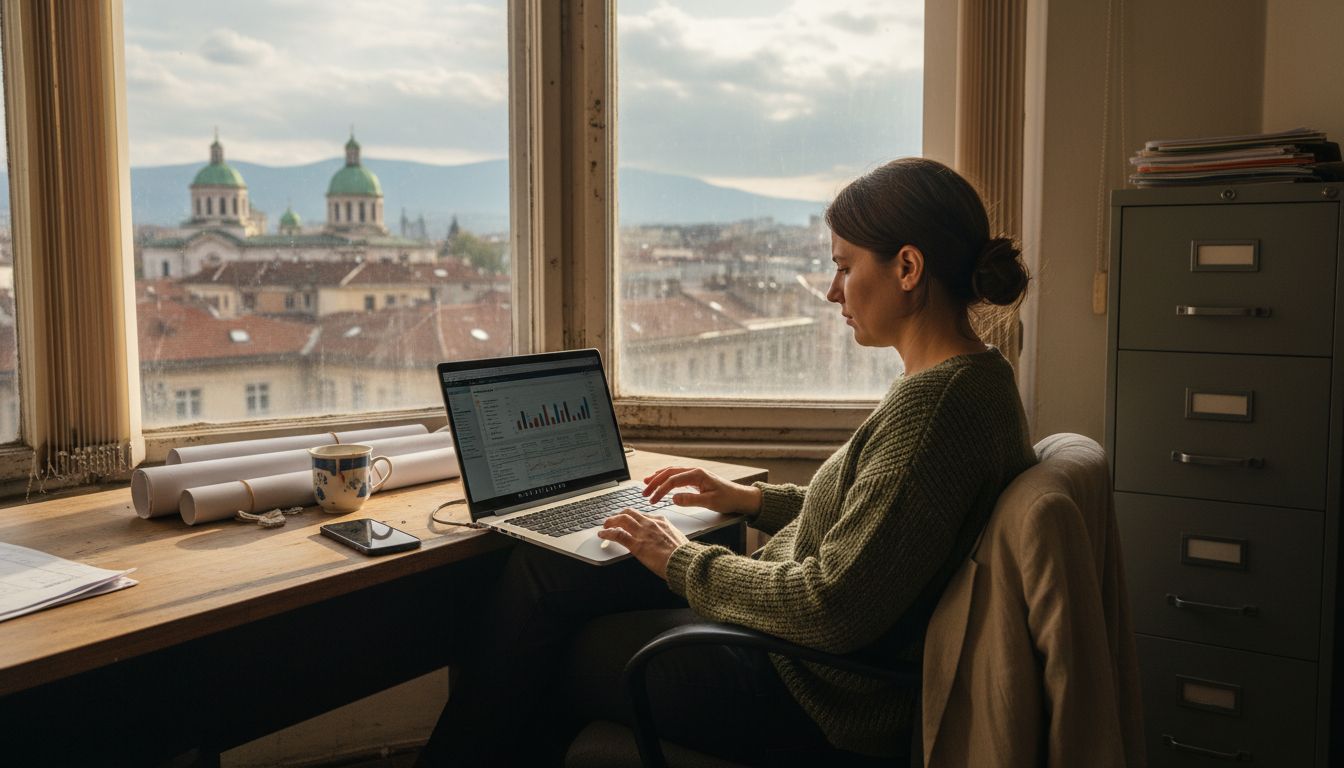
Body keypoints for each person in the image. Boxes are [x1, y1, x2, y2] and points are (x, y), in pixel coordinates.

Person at [416, 157, 1036, 767]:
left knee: (552, 647)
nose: (832, 291)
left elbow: (832, 607)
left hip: (807, 695)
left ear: (907, 268)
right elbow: (880, 521)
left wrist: (679, 558)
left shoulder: (935, 409)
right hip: (794, 656)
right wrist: (751, 500)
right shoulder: (971, 379)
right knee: (546, 574)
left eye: (845, 267)